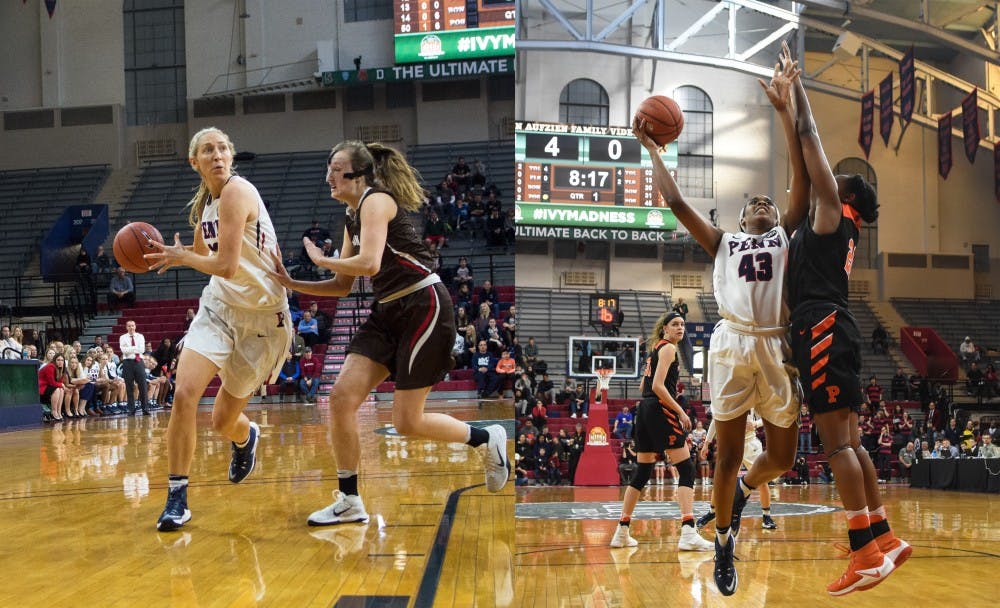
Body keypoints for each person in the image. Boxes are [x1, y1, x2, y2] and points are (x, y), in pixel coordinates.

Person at [634, 44, 809, 596]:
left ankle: (736, 498)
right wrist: (651, 150)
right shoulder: (723, 242)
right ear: (738, 219)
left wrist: (786, 112)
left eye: (768, 199)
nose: (762, 201)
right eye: (752, 200)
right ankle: (725, 540)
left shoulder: (787, 235)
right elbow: (674, 200)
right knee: (728, 454)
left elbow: (800, 173)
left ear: (778, 216)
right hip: (733, 346)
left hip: (778, 347)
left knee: (782, 456)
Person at [268, 139, 508, 527]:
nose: (328, 175)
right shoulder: (350, 216)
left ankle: (486, 439)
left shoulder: (376, 201)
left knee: (406, 422)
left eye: (336, 168)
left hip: (423, 304)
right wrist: (292, 281)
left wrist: (319, 257)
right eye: (328, 168)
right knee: (342, 398)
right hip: (387, 310)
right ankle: (349, 500)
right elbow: (344, 284)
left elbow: (369, 261)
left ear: (358, 174)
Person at [785, 47, 907, 594]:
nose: (826, 178)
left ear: (847, 194)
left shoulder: (834, 215)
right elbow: (803, 165)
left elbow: (811, 143)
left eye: (836, 179)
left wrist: (797, 92)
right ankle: (882, 536)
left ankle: (864, 554)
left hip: (822, 326)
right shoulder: (835, 221)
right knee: (851, 444)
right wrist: (785, 113)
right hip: (836, 324)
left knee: (837, 447)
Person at [144, 127, 292, 532]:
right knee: (184, 394)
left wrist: (185, 258)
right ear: (195, 162)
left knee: (223, 421)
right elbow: (207, 259)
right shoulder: (206, 206)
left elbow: (225, 264)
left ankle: (246, 437)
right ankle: (177, 496)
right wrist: (178, 257)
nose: (218, 155)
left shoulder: (237, 191)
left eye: (223, 148)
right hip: (220, 307)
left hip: (263, 319)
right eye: (208, 150)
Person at [610, 311, 713, 552]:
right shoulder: (668, 349)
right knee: (687, 469)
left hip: (644, 411)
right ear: (665, 328)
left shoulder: (656, 348)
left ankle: (622, 531)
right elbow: (656, 386)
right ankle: (688, 531)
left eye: (683, 324)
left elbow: (643, 385)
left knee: (643, 470)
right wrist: (680, 411)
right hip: (659, 410)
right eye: (675, 324)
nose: (680, 328)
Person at [696, 411, 779, 531]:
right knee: (722, 480)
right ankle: (712, 512)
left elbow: (769, 416)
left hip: (750, 444)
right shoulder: (722, 396)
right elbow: (716, 420)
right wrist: (706, 443)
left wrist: (756, 423)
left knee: (762, 481)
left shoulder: (751, 394)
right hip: (730, 444)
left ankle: (767, 517)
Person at [119, 320, 150, 416]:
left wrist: (130, 348)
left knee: (143, 386)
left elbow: (142, 349)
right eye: (129, 326)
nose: (131, 328)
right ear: (126, 327)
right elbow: (124, 350)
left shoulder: (140, 336)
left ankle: (145, 408)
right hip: (127, 362)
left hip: (138, 362)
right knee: (129, 386)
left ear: (135, 326)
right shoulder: (122, 337)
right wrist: (135, 348)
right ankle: (131, 409)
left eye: (132, 326)